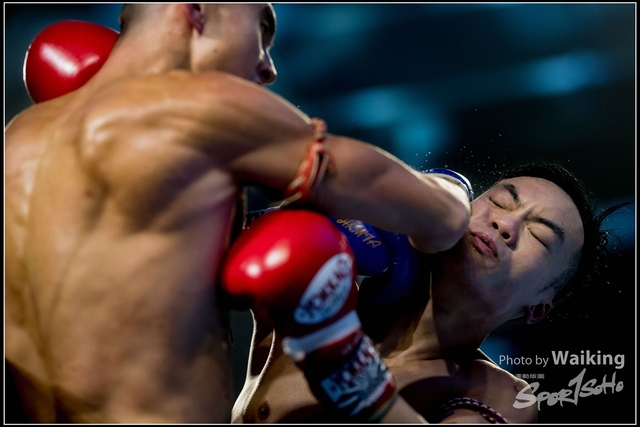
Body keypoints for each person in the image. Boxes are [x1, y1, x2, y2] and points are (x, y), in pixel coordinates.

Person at [5, 4, 473, 423]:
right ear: (196, 12)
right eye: (261, 28)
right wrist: (454, 187)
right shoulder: (199, 105)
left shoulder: (18, 138)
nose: (269, 67)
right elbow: (438, 218)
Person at [231, 161, 627, 424]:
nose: (506, 224)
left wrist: (347, 366)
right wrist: (275, 223)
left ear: (537, 307)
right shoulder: (333, 278)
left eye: (539, 235)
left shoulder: (497, 393)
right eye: (500, 202)